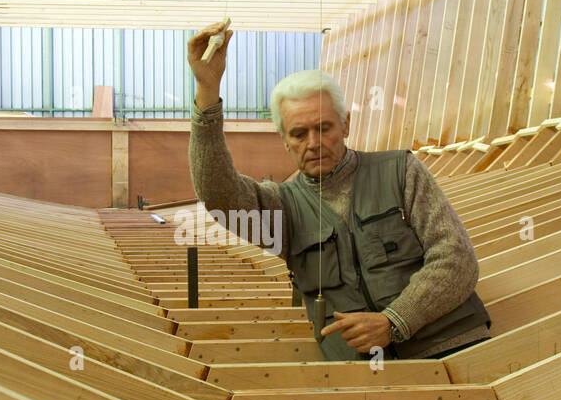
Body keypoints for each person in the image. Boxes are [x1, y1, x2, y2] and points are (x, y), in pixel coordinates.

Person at [185, 19, 491, 361]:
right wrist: (207, 92)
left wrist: (396, 320)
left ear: (345, 124)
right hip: (362, 373)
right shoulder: (283, 209)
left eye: (324, 128)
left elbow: (456, 257)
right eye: (299, 134)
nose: (313, 143)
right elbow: (219, 197)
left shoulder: (400, 171)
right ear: (284, 141)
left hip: (451, 348)